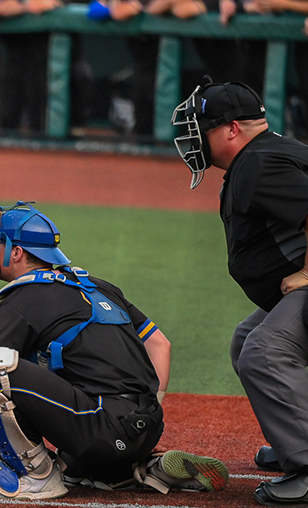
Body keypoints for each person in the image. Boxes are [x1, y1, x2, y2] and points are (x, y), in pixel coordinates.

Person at [0, 201, 228, 500]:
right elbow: (160, 344)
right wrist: (145, 412)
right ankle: (132, 467)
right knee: (72, 464)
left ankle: (36, 478)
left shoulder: (22, 299)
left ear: (17, 252)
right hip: (144, 426)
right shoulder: (97, 286)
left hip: (98, 426)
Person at [172, 80, 308, 506]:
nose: (192, 137)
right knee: (248, 338)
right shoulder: (264, 154)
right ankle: (296, 440)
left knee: (265, 351)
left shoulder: (258, 164)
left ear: (232, 129)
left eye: (201, 126)